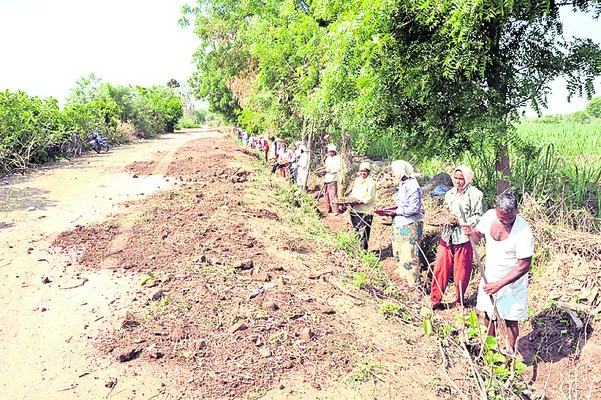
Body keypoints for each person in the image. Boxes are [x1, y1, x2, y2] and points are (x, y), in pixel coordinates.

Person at [463, 192, 534, 351]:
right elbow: (476, 238)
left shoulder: (523, 232)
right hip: (490, 276)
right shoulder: (488, 217)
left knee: (511, 319)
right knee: (489, 315)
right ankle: (490, 350)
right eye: (503, 218)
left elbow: (524, 266)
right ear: (496, 210)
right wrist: (470, 232)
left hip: (512, 282)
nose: (507, 221)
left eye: (511, 217)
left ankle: (511, 353)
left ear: (516, 210)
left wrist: (500, 285)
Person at [430, 165, 484, 310]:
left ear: (467, 179)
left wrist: (460, 222)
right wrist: (444, 219)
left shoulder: (475, 194)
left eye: (461, 179)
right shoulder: (450, 194)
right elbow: (445, 212)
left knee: (462, 270)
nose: (458, 182)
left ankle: (459, 301)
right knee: (441, 267)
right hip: (447, 235)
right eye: (456, 178)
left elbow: (478, 216)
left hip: (463, 237)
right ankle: (435, 300)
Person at [383, 160, 424, 286]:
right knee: (398, 253)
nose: (392, 173)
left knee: (409, 255)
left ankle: (415, 285)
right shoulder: (403, 184)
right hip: (400, 224)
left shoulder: (412, 185)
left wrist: (396, 212)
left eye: (394, 171)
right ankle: (405, 280)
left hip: (409, 224)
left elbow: (414, 208)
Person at [349, 162, 377, 250]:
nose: (362, 173)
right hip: (355, 209)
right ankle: (356, 249)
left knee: (364, 232)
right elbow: (354, 193)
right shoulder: (358, 180)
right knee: (356, 230)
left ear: (368, 172)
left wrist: (360, 201)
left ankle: (363, 251)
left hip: (365, 210)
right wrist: (350, 201)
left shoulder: (371, 183)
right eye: (361, 171)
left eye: (365, 171)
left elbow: (370, 198)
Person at [323, 144, 342, 215]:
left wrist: (328, 170)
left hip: (332, 178)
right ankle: (328, 208)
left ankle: (335, 210)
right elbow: (325, 167)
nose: (330, 153)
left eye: (332, 151)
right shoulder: (328, 158)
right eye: (329, 151)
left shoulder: (336, 159)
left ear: (334, 152)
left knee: (333, 194)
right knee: (326, 194)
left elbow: (337, 169)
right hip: (326, 178)